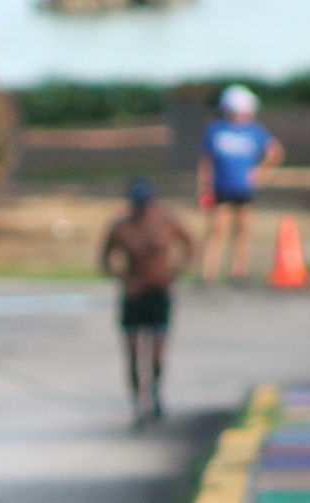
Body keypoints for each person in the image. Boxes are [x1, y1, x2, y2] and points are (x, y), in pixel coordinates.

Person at [100, 177, 193, 425]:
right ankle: (136, 402)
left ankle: (155, 394)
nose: (142, 210)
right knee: (132, 354)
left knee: (156, 354)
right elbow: (106, 261)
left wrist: (173, 273)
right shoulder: (121, 228)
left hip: (158, 292)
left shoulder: (167, 221)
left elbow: (190, 246)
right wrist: (125, 279)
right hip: (134, 296)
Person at [197, 83, 284, 283]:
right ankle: (208, 271)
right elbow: (206, 161)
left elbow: (275, 151)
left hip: (243, 188)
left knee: (242, 229)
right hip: (220, 186)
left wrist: (260, 172)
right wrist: (203, 186)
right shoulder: (215, 129)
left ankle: (238, 269)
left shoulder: (254, 130)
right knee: (217, 229)